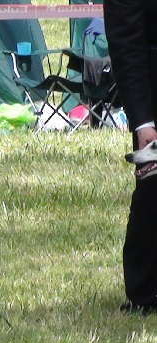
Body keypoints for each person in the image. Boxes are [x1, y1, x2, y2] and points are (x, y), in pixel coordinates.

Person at [105, 0, 157, 315]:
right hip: (151, 93)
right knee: (153, 189)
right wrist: (144, 123)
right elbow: (127, 46)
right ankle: (145, 293)